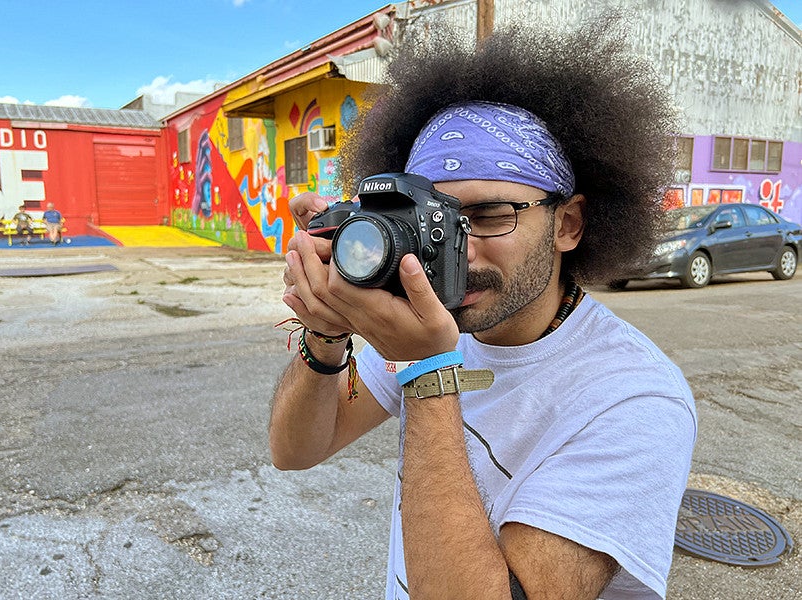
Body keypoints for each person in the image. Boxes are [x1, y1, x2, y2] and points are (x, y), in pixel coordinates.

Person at [270, 15, 697, 600]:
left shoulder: (635, 399)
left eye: (490, 215)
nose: (456, 252)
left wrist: (427, 371)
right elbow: (297, 451)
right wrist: (324, 336)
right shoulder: (433, 329)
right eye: (432, 222)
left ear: (567, 224)